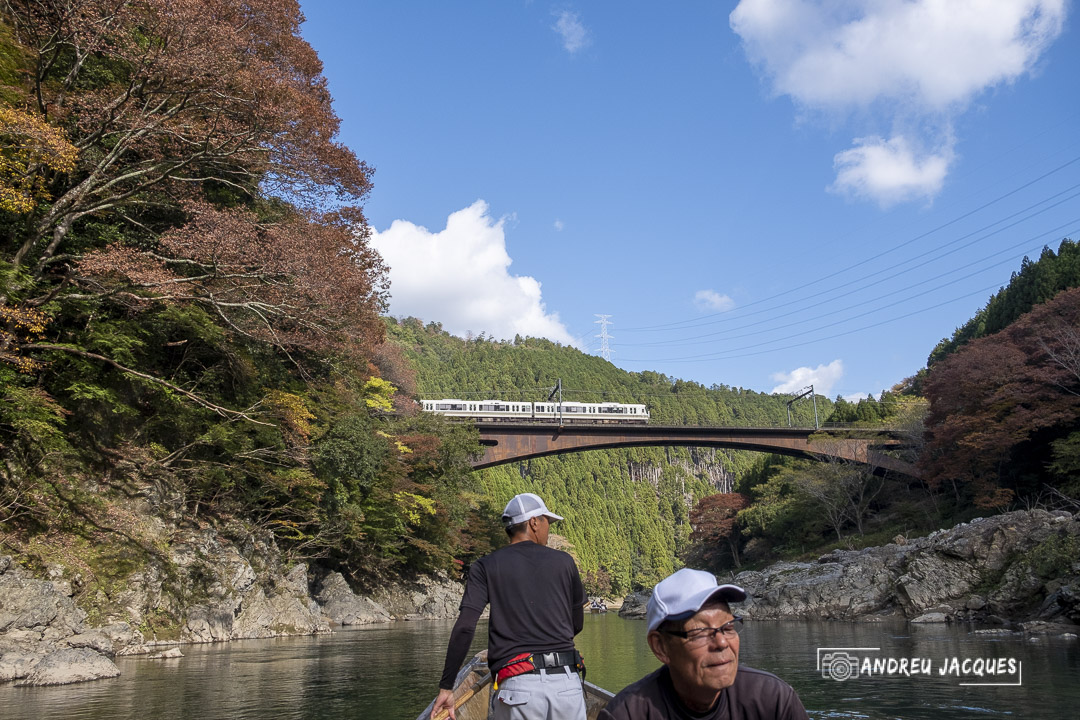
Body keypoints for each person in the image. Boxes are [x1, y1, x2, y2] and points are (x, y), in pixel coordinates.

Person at [432, 492, 587, 720]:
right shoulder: (564, 562)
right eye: (547, 522)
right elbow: (576, 624)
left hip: (518, 687)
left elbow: (465, 627)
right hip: (566, 686)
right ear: (534, 522)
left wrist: (447, 687)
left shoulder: (485, 566)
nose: (548, 530)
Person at [599, 568, 810, 720]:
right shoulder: (626, 714)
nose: (721, 642)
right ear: (660, 647)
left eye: (728, 627)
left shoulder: (773, 701)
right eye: (700, 632)